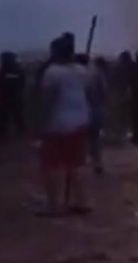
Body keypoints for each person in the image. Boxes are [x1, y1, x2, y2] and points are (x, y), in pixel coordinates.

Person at [37, 36, 92, 216]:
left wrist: (40, 124)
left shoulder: (52, 73)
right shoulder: (82, 71)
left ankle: (53, 206)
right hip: (80, 121)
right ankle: (82, 201)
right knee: (76, 164)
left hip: (57, 125)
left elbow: (47, 101)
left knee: (51, 166)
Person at [88, 57, 109, 174]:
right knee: (95, 138)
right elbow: (104, 93)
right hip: (96, 110)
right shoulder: (97, 75)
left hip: (86, 111)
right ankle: (97, 162)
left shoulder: (86, 75)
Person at [0, 52, 26, 136]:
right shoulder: (16, 70)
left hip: (9, 97)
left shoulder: (5, 71)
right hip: (12, 97)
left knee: (12, 117)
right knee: (15, 116)